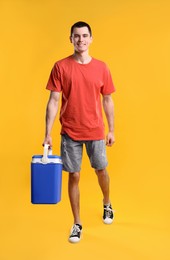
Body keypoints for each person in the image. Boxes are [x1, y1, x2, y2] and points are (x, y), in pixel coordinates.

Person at [43, 21, 116, 243]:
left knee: (101, 170)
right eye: (77, 36)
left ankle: (107, 203)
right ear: (71, 39)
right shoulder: (60, 66)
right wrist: (47, 133)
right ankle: (77, 223)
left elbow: (108, 99)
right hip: (70, 131)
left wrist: (111, 129)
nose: (81, 40)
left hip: (95, 129)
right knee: (74, 175)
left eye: (85, 36)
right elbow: (53, 101)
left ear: (91, 39)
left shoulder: (102, 67)